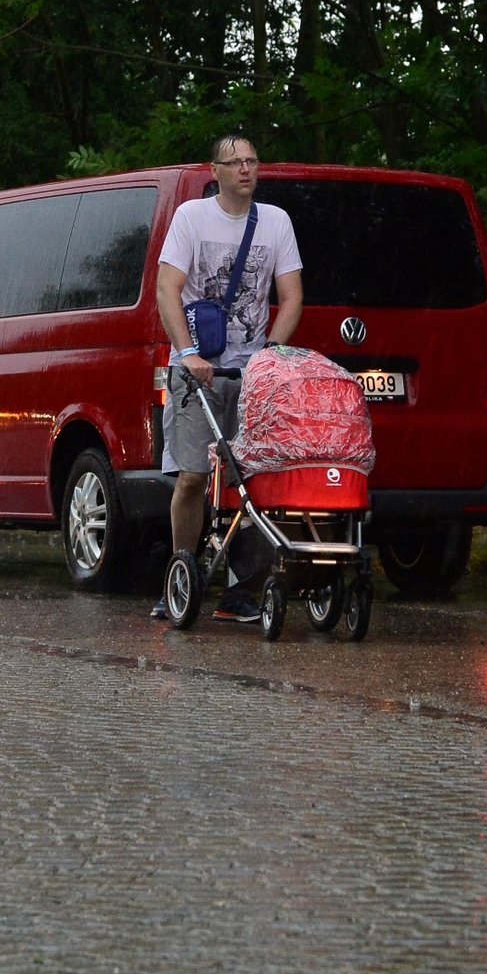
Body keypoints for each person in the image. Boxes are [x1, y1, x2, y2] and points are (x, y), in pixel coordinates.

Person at [151, 133, 303, 620]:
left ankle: (241, 590)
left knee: (253, 478)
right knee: (194, 476)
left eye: (252, 161)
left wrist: (271, 355)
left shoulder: (276, 222)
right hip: (199, 369)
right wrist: (188, 353)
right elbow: (166, 289)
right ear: (213, 170)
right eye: (234, 162)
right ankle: (182, 573)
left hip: (251, 371)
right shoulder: (191, 218)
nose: (245, 169)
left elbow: (292, 296)